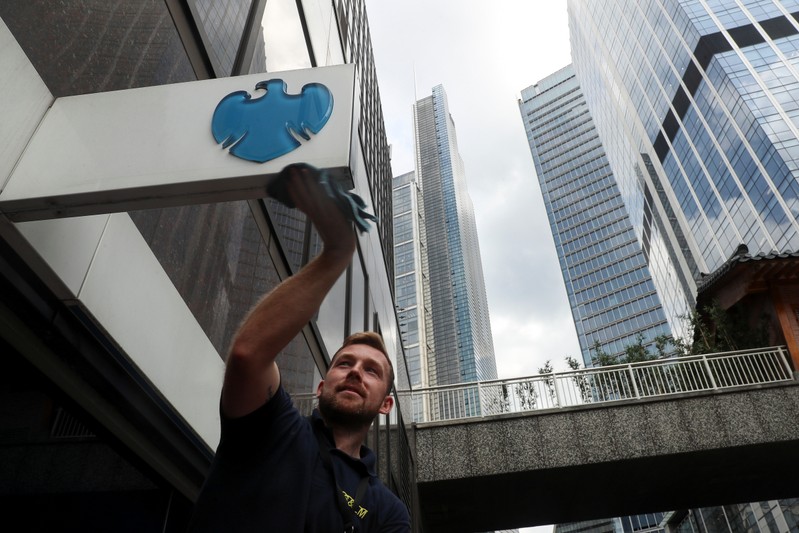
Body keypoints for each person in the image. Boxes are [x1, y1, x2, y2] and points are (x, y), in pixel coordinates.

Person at [188, 165, 411, 532]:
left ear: (386, 404)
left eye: (371, 371)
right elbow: (248, 355)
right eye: (344, 364)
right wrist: (337, 253)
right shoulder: (275, 428)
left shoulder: (387, 511)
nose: (355, 371)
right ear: (321, 387)